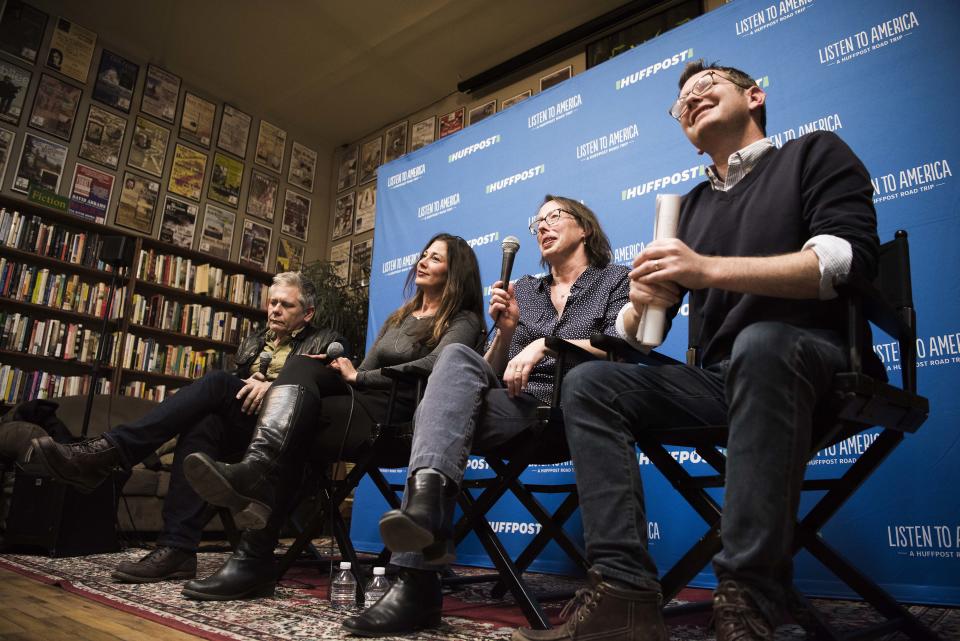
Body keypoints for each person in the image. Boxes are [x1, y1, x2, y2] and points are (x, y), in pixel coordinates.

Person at [511, 61, 881, 641]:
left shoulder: (813, 153)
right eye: (681, 101)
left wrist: (706, 269)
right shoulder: (688, 209)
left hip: (818, 365)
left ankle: (749, 596)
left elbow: (840, 262)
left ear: (754, 95)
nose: (691, 99)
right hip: (720, 382)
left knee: (763, 343)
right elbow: (644, 336)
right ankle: (623, 590)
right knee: (587, 382)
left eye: (706, 87)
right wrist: (638, 301)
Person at [342, 195, 631, 636]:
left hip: (579, 406)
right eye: (538, 221)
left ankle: (420, 561)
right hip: (517, 404)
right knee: (457, 358)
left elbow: (621, 346)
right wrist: (509, 331)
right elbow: (491, 371)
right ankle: (422, 528)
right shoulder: (526, 291)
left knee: (443, 412)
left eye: (555, 217)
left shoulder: (615, 279)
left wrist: (546, 345)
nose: (543, 226)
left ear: (584, 228)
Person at [182, 233, 486, 600]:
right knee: (300, 374)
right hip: (364, 404)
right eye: (424, 254)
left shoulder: (463, 319)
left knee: (297, 425)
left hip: (400, 416)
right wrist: (344, 370)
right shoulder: (401, 316)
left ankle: (253, 546)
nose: (422, 261)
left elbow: (439, 364)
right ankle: (253, 523)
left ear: (455, 272)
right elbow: (363, 370)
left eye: (435, 259)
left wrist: (361, 377)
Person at [30, 272, 341, 584]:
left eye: (285, 305)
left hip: (285, 432)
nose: (274, 309)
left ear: (307, 313)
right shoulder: (254, 342)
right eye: (272, 302)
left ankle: (108, 453)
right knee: (202, 424)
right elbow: (237, 393)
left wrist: (273, 386)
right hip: (246, 424)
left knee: (217, 381)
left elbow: (330, 393)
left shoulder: (326, 341)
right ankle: (177, 549)